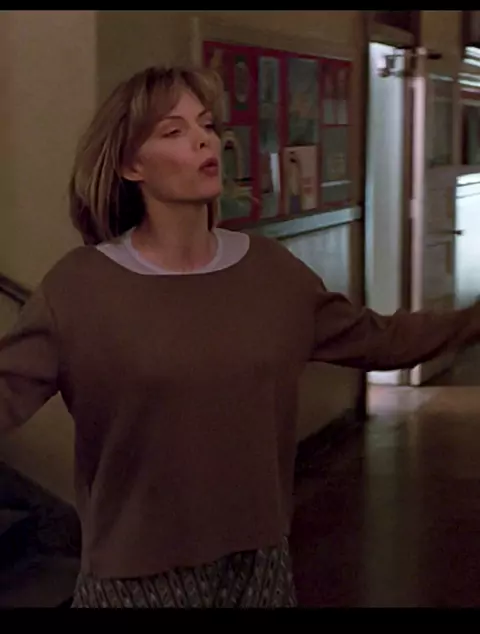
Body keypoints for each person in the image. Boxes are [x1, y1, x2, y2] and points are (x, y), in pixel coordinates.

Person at [1, 65, 480, 609]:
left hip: (258, 564)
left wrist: (473, 319)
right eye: (174, 130)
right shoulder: (80, 289)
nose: (204, 139)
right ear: (133, 166)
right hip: (134, 574)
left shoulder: (272, 274)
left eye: (206, 124)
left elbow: (380, 339)